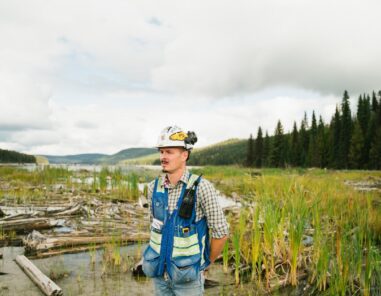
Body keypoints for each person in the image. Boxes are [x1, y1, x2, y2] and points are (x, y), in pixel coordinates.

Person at [142, 126, 229, 296]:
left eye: (169, 152)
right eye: (161, 152)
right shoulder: (153, 187)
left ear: (185, 155)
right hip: (159, 276)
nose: (163, 157)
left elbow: (221, 232)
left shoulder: (202, 187)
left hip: (189, 282)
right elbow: (153, 227)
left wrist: (206, 264)